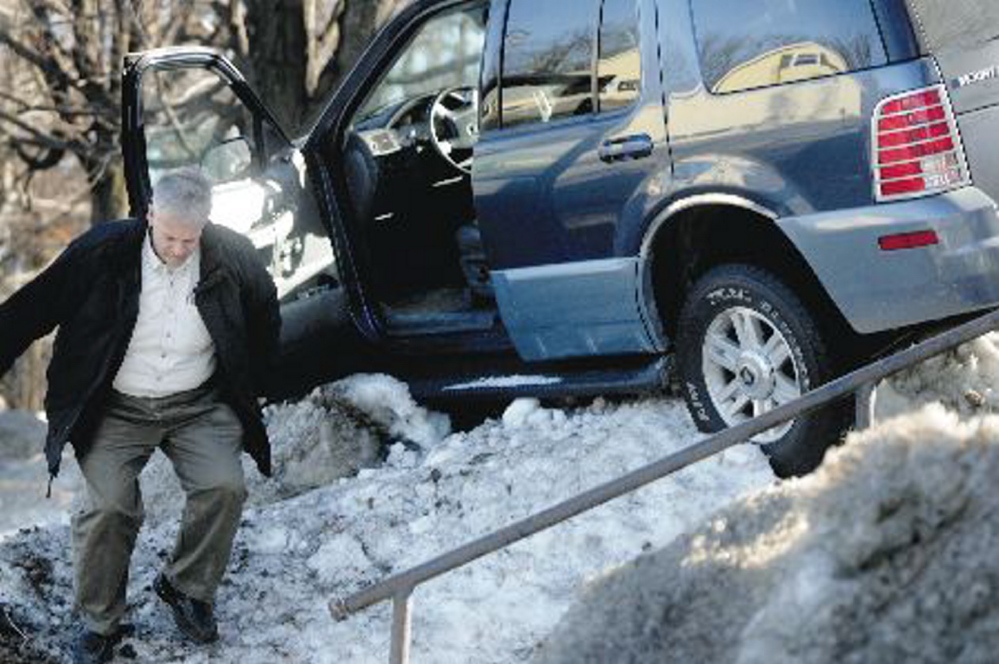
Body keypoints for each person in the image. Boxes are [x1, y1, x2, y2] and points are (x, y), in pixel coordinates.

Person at [0, 168, 281, 664]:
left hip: (198, 402)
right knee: (108, 507)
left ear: (205, 226)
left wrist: (251, 386)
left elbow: (264, 316)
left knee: (224, 487)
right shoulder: (101, 253)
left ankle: (187, 587)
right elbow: (31, 309)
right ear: (149, 213)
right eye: (169, 236)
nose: (177, 249)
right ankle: (99, 622)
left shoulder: (231, 256)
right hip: (117, 407)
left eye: (189, 240)